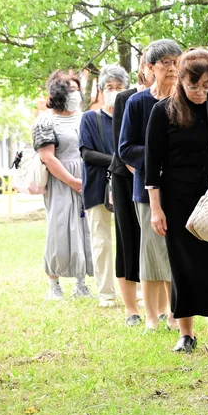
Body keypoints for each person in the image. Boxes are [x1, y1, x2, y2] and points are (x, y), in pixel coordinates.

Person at [145, 49, 208, 354]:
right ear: (180, 80)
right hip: (177, 198)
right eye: (193, 85)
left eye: (207, 85)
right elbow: (151, 165)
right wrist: (156, 209)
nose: (200, 92)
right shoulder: (163, 111)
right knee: (182, 266)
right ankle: (186, 332)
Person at [119, 39, 183, 330]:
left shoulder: (186, 100)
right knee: (150, 250)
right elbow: (125, 148)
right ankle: (150, 317)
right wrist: (156, 156)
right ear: (150, 67)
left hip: (181, 187)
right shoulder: (137, 102)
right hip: (146, 189)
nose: (172, 68)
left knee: (175, 251)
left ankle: (175, 313)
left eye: (176, 63)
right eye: (165, 63)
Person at [33, 71, 93, 300]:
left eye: (77, 89)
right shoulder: (45, 121)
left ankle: (81, 283)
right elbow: (47, 157)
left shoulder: (84, 118)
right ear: (59, 93)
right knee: (58, 230)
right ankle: (54, 285)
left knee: (84, 228)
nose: (75, 94)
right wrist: (73, 181)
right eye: (70, 89)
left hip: (85, 177)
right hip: (59, 180)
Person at [79, 66, 128, 306]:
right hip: (97, 185)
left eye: (119, 87)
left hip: (126, 185)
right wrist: (119, 161)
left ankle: (136, 290)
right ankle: (106, 293)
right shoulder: (90, 118)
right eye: (109, 87)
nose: (114, 91)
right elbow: (87, 153)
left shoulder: (130, 116)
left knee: (128, 239)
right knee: (101, 240)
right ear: (101, 91)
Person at [110, 56, 152, 326]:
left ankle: (162, 307)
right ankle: (131, 309)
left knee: (155, 243)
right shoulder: (125, 98)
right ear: (144, 68)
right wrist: (145, 177)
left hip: (158, 179)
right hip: (128, 177)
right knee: (128, 241)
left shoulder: (173, 97)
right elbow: (121, 146)